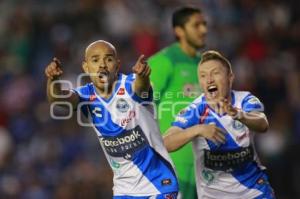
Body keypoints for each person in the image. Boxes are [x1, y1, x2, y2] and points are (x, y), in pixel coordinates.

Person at [45, 40, 179, 199]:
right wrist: (53, 80)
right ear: (86, 67)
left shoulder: (129, 85)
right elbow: (57, 98)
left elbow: (141, 87)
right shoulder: (85, 96)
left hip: (159, 184)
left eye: (108, 59)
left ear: (117, 64)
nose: (102, 64)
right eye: (95, 60)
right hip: (124, 190)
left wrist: (142, 77)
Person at [164, 50, 275, 198]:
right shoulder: (195, 109)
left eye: (215, 73)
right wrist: (198, 129)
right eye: (203, 76)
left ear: (230, 77)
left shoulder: (245, 100)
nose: (209, 79)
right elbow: (165, 142)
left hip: (255, 191)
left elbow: (262, 124)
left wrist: (238, 114)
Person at [148, 7, 207, 199]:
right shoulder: (163, 62)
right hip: (172, 165)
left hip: (204, 165)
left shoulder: (206, 66)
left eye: (204, 24)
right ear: (179, 30)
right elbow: (141, 107)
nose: (203, 30)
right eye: (196, 25)